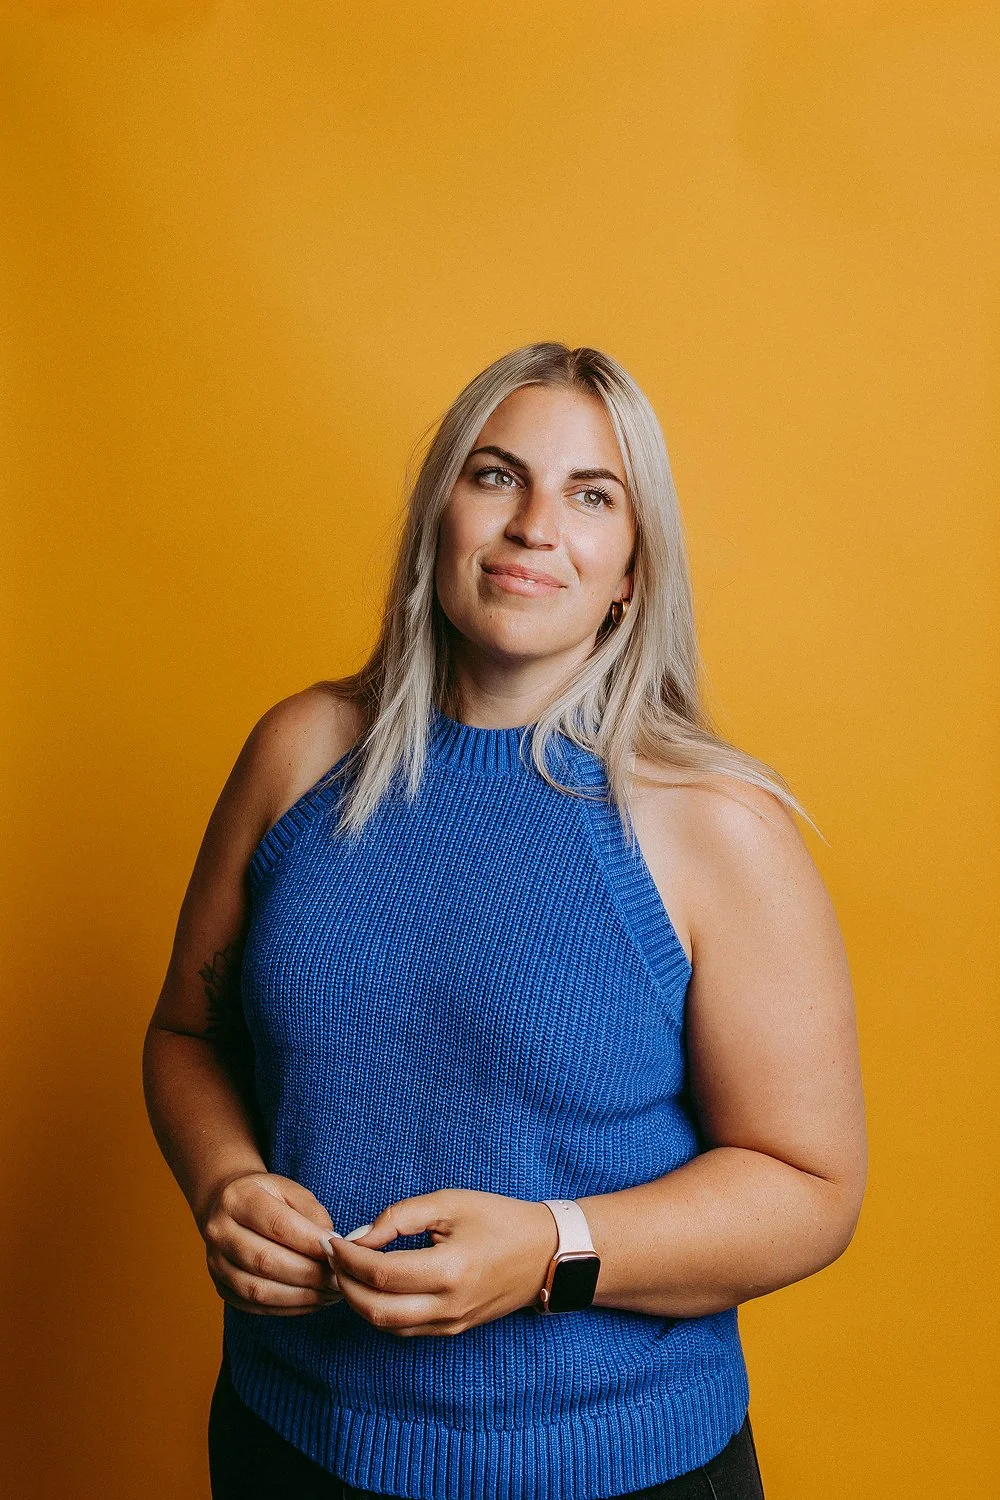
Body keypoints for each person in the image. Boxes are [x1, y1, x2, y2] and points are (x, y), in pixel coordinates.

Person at [142, 342, 867, 1500]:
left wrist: (552, 1254)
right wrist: (224, 1183)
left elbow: (810, 1187)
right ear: (440, 517)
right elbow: (186, 1035)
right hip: (290, 1442)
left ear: (632, 566)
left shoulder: (711, 825)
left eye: (592, 496)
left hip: (612, 1470)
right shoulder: (300, 753)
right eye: (496, 476)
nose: (536, 524)